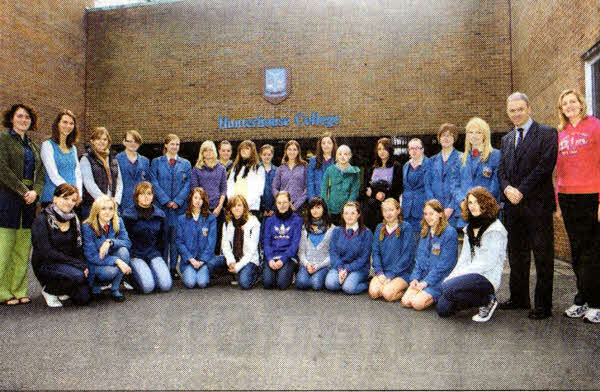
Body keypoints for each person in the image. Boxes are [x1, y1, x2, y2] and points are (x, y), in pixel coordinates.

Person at [497, 92, 557, 320]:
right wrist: (507, 189)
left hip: (537, 205)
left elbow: (545, 167)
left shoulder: (547, 133)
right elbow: (501, 170)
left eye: (520, 109)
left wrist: (520, 190)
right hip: (513, 207)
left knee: (542, 255)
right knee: (516, 254)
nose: (516, 114)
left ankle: (543, 305)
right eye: (512, 111)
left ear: (529, 108)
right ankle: (519, 297)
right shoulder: (506, 139)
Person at [555, 89, 600, 323]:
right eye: (565, 103)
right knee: (578, 251)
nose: (570, 106)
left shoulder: (595, 126)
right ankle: (582, 298)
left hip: (591, 196)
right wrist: (558, 203)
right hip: (567, 197)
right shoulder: (561, 134)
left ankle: (597, 302)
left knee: (593, 251)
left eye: (573, 101)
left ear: (581, 104)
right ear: (561, 108)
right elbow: (559, 170)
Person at [436, 187, 507, 322]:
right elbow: (464, 258)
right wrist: (452, 277)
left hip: (487, 276)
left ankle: (487, 300)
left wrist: (455, 280)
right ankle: (476, 300)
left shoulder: (496, 228)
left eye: (477, 202)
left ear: (485, 203)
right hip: (471, 275)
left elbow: (488, 262)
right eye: (470, 203)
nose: (473, 206)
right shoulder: (469, 228)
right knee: (443, 309)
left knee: (448, 288)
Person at [0, 104, 44, 306]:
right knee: (5, 247)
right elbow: (3, 169)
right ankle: (3, 291)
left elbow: (41, 174)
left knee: (23, 248)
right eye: (19, 116)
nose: (23, 120)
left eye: (27, 117)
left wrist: (35, 191)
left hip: (29, 202)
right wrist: (22, 190)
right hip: (8, 197)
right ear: (11, 118)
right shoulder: (3, 139)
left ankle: (19, 290)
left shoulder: (34, 147)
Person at [31, 184, 91, 307]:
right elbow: (47, 252)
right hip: (46, 264)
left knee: (84, 298)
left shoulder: (74, 219)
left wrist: (82, 264)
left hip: (67, 263)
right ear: (55, 199)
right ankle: (50, 290)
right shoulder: (42, 220)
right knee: (78, 276)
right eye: (65, 198)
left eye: (73, 200)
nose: (69, 203)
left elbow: (78, 248)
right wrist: (77, 265)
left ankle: (63, 288)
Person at [401, 199, 458, 310]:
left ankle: (439, 296)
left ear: (440, 214)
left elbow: (445, 265)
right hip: (423, 278)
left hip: (439, 279)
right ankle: (422, 294)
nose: (428, 217)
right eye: (426, 214)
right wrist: (415, 278)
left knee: (417, 304)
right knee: (405, 301)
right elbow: (419, 259)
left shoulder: (450, 233)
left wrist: (426, 283)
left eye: (432, 214)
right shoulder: (425, 231)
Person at [150, 133, 191, 280]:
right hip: (161, 207)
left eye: (177, 144)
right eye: (172, 144)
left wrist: (177, 201)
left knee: (175, 240)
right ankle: (161, 269)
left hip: (178, 209)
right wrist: (166, 200)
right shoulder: (156, 162)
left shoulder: (185, 164)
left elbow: (187, 185)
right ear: (166, 145)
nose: (175, 147)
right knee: (162, 239)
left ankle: (173, 268)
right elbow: (153, 182)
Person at [121, 181, 172, 294]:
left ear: (153, 196)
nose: (146, 197)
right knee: (148, 287)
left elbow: (163, 241)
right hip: (136, 255)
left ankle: (150, 271)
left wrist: (161, 260)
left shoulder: (160, 215)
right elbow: (124, 240)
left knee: (166, 285)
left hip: (153, 253)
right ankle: (130, 278)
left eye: (149, 194)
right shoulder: (128, 215)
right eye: (142, 194)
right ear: (136, 196)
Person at [82, 195, 131, 302]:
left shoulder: (118, 221)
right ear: (97, 210)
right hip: (95, 262)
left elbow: (127, 242)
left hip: (109, 257)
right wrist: (117, 261)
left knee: (124, 251)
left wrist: (110, 242)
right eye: (103, 208)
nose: (107, 212)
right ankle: (95, 285)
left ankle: (115, 288)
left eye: (110, 208)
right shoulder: (87, 226)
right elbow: (91, 256)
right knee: (111, 271)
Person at [176, 187, 225, 289]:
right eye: (196, 198)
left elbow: (211, 242)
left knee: (202, 283)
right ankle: (187, 271)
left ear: (204, 201)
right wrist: (191, 260)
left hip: (204, 261)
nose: (198, 201)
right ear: (191, 199)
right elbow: (179, 242)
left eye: (201, 199)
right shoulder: (181, 219)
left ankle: (207, 269)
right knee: (190, 283)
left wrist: (202, 261)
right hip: (189, 261)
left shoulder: (210, 218)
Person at [368, 198, 414, 302]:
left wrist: (391, 275)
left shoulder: (406, 228)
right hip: (384, 272)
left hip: (401, 272)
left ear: (398, 211)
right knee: (374, 293)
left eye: (391, 210)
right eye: (385, 211)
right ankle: (388, 286)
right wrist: (379, 273)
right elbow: (376, 253)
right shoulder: (380, 228)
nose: (388, 214)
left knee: (387, 294)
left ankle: (405, 290)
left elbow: (407, 256)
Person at [325, 201, 373, 295]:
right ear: (342, 215)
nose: (349, 216)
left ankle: (368, 283)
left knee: (349, 288)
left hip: (359, 268)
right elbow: (333, 253)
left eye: (353, 213)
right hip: (340, 266)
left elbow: (363, 258)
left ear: (358, 215)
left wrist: (347, 269)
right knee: (330, 284)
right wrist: (340, 269)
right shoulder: (336, 231)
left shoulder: (366, 233)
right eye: (346, 213)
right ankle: (344, 279)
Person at [40, 109, 82, 206]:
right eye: (65, 122)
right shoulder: (47, 145)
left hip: (72, 199)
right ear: (57, 124)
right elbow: (53, 174)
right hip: (53, 197)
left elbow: (77, 172)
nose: (68, 126)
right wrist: (69, 192)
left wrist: (78, 192)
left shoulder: (73, 148)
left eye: (71, 123)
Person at [262, 191, 303, 289]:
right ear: (275, 204)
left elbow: (294, 245)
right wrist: (270, 259)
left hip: (288, 257)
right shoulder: (270, 220)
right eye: (279, 203)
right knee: (267, 283)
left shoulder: (297, 220)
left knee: (281, 284)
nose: (282, 205)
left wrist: (282, 260)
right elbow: (266, 243)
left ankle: (292, 272)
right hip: (273, 256)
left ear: (290, 203)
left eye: (285, 202)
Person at [80, 127, 123, 220]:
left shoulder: (113, 159)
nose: (102, 142)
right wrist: (105, 201)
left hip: (112, 205)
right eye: (98, 139)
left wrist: (116, 201)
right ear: (92, 141)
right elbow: (89, 183)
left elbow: (119, 182)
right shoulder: (86, 159)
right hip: (93, 206)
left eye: (104, 139)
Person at [191, 140, 227, 251]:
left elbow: (223, 190)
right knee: (202, 237)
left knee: (216, 237)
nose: (208, 152)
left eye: (210, 150)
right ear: (202, 153)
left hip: (217, 210)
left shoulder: (221, 169)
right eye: (205, 150)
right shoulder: (197, 169)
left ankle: (214, 264)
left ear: (215, 151)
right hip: (202, 209)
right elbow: (194, 190)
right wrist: (202, 208)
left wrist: (219, 207)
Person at [425, 124, 463, 229]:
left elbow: (462, 185)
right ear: (439, 138)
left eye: (449, 135)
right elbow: (427, 185)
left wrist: (451, 207)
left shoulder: (461, 158)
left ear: (454, 138)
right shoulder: (431, 161)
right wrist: (434, 207)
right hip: (435, 212)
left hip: (453, 211)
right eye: (443, 135)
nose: (446, 138)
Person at [362, 137, 403, 231]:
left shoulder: (396, 166)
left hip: (389, 207)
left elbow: (398, 188)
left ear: (390, 150)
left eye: (385, 149)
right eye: (379, 149)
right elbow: (365, 188)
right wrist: (374, 194)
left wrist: (384, 195)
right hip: (372, 208)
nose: (382, 151)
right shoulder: (372, 168)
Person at [221, 195, 261, 289]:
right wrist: (231, 261)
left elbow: (252, 250)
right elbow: (225, 246)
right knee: (211, 264)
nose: (237, 208)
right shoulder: (227, 224)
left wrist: (238, 266)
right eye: (234, 206)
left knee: (244, 283)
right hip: (234, 257)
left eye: (239, 205)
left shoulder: (253, 223)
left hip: (249, 260)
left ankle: (256, 273)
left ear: (244, 207)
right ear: (230, 209)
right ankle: (233, 272)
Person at [296, 197, 335, 290]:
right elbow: (301, 252)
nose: (315, 211)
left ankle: (321, 277)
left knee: (316, 284)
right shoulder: (305, 228)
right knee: (301, 283)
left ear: (324, 209)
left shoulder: (332, 229)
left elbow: (332, 254)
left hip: (323, 265)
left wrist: (317, 267)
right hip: (307, 264)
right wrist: (307, 264)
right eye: (312, 208)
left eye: (318, 208)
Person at [459, 117, 501, 202]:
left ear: (485, 135)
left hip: (487, 207)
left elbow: (496, 184)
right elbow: (455, 185)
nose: (474, 136)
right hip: (466, 207)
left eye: (478, 132)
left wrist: (480, 202)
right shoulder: (461, 158)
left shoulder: (496, 155)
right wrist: (463, 201)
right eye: (471, 132)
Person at [320, 144, 360, 225]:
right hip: (332, 208)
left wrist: (348, 207)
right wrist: (326, 205)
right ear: (336, 156)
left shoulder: (355, 172)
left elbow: (354, 191)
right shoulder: (330, 170)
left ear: (350, 156)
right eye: (340, 154)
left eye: (345, 154)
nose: (342, 156)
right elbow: (324, 189)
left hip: (347, 210)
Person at [115, 130, 151, 214]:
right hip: (123, 204)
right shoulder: (117, 159)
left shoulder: (145, 161)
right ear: (124, 142)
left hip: (141, 204)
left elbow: (148, 183)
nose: (133, 144)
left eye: (136, 141)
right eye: (129, 141)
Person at [227, 140, 265, 216]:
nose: (244, 151)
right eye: (242, 149)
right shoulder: (235, 168)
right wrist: (234, 203)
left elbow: (259, 190)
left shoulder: (258, 168)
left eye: (247, 148)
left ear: (252, 151)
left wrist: (244, 205)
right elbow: (229, 186)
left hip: (251, 208)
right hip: (235, 208)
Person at [401, 138, 429, 241]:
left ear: (422, 149)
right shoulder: (406, 166)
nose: (414, 151)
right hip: (407, 210)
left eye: (417, 148)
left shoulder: (429, 164)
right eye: (411, 148)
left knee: (420, 241)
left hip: (421, 209)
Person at [272, 140, 308, 212]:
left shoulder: (304, 167)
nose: (292, 152)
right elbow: (274, 187)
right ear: (286, 151)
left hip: (299, 207)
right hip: (283, 207)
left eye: (294, 149)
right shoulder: (280, 168)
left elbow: (307, 188)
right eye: (289, 149)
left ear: (298, 152)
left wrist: (296, 205)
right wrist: (281, 200)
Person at [307, 132, 337, 201]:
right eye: (323, 143)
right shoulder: (313, 161)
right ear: (320, 145)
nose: (326, 145)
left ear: (333, 145)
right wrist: (313, 201)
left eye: (329, 143)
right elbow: (310, 183)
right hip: (318, 202)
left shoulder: (338, 161)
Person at [259, 144, 278, 219]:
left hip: (274, 210)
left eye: (269, 154)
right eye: (264, 154)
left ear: (272, 155)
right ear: (260, 155)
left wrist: (274, 208)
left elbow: (279, 190)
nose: (267, 157)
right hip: (260, 209)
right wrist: (262, 209)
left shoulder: (277, 171)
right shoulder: (256, 170)